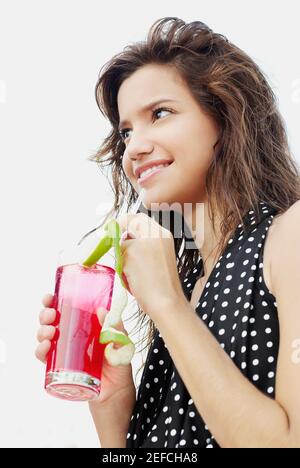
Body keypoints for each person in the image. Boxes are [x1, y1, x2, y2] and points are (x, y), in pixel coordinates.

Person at [35, 17, 300, 448]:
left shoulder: (290, 238)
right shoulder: (191, 289)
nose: (134, 147)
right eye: (126, 131)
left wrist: (168, 305)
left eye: (160, 114)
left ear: (225, 117)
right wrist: (114, 410)